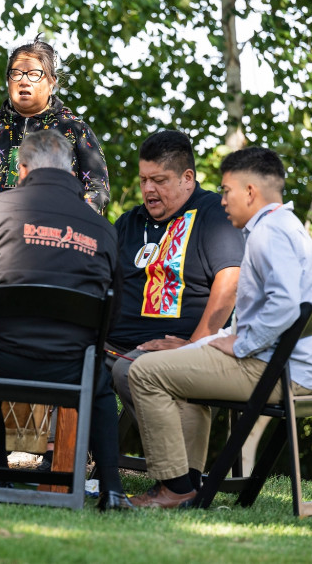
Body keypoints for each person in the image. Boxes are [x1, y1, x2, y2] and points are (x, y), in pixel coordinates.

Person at [0, 130, 130, 511]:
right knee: (100, 383)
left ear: (23, 169)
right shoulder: (102, 229)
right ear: (72, 172)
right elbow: (114, 311)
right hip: (72, 368)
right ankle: (113, 489)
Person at [125, 146, 312, 509]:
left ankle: (174, 488)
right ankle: (187, 483)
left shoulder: (269, 233)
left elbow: (285, 306)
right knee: (173, 371)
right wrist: (213, 342)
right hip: (295, 368)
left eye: (226, 191)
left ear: (250, 192)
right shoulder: (288, 226)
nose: (222, 200)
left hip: (278, 371)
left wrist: (240, 344)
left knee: (143, 372)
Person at [105, 130, 245, 424]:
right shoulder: (129, 223)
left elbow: (231, 280)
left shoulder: (214, 214)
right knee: (69, 354)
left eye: (159, 180)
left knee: (128, 369)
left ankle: (177, 467)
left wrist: (194, 346)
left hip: (179, 350)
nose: (148, 190)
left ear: (187, 178)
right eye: (144, 180)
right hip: (113, 345)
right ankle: (67, 463)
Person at [0, 37, 110, 222]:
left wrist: (71, 225)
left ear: (51, 82)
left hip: (56, 238)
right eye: (16, 73)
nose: (24, 81)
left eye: (34, 74)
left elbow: (97, 188)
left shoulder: (75, 130)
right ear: (8, 80)